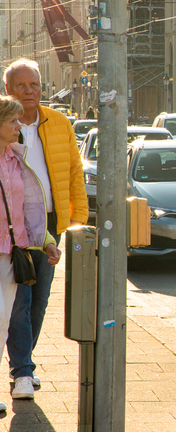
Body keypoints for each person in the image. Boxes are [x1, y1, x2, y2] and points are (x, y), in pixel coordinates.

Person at [4, 59, 88, 400]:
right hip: (12, 224)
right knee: (20, 299)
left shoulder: (59, 122)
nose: (29, 91)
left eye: (34, 84)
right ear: (8, 89)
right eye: (21, 85)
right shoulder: (3, 125)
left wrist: (76, 219)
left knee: (39, 301)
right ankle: (22, 370)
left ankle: (23, 360)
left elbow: (74, 171)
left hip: (49, 224)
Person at [0, 95, 60, 409]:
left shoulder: (16, 158)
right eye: (12, 121)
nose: (18, 127)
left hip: (15, 251)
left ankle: (17, 376)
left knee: (7, 318)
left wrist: (47, 239)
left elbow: (29, 209)